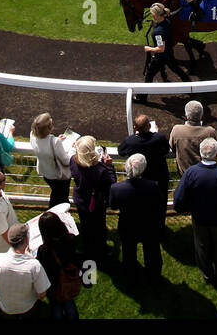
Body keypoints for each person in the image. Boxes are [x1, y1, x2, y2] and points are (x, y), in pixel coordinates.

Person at [174, 136, 217, 287]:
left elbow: (178, 200)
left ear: (200, 154)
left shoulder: (191, 173)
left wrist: (188, 208)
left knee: (202, 248)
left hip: (200, 219)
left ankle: (207, 275)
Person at [109, 152, 164, 282]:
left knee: (128, 252)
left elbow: (113, 206)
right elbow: (159, 204)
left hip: (127, 225)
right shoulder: (152, 186)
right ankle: (154, 276)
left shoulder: (116, 188)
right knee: (152, 252)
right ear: (143, 169)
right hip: (148, 225)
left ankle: (131, 275)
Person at [0, 223, 50, 317]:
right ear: (26, 240)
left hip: (5, 309)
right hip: (27, 309)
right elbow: (42, 294)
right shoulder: (34, 265)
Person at [70, 135, 115, 264]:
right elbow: (111, 183)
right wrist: (110, 166)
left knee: (86, 227)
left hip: (81, 200)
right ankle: (101, 253)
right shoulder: (100, 169)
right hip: (96, 203)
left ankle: (88, 251)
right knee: (99, 228)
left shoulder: (73, 161)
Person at [36, 211, 83, 319]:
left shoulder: (44, 250)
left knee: (56, 306)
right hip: (67, 279)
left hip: (53, 284)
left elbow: (41, 266)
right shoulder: (71, 239)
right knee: (69, 302)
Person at [118, 113, 171, 197]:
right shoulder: (159, 138)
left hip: (141, 177)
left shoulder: (130, 141)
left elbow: (121, 151)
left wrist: (134, 137)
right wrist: (156, 134)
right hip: (159, 176)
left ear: (135, 128)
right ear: (149, 126)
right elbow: (166, 149)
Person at [142, 3, 191, 82]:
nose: (152, 16)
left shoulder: (158, 32)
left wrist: (149, 49)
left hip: (160, 57)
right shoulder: (166, 21)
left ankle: (142, 95)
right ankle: (189, 85)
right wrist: (156, 25)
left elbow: (161, 48)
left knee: (149, 75)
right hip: (169, 53)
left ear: (156, 15)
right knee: (177, 69)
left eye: (152, 14)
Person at [169, 99, 217, 174]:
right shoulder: (210, 132)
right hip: (207, 175)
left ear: (185, 117)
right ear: (202, 116)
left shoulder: (176, 130)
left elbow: (172, 147)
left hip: (185, 176)